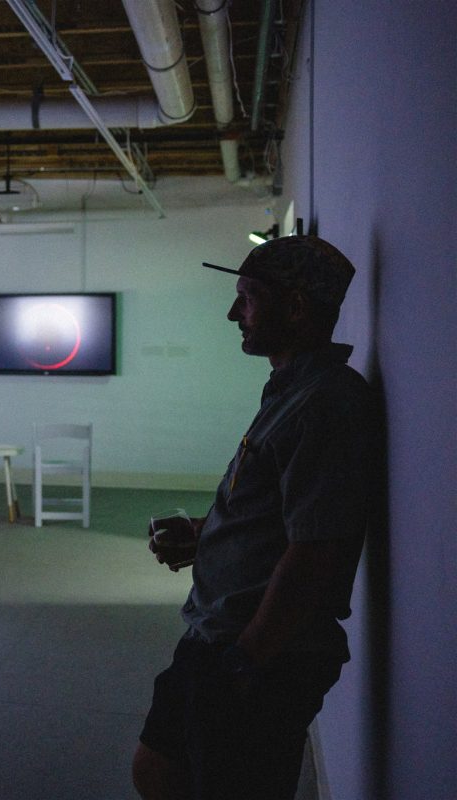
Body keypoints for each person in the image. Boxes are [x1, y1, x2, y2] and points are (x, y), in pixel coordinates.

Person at [131, 236, 379, 800]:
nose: (232, 313)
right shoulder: (292, 390)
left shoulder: (326, 402)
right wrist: (205, 534)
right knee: (158, 767)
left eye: (247, 298)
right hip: (218, 634)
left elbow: (315, 550)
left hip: (260, 653)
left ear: (295, 307)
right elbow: (279, 513)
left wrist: (244, 661)